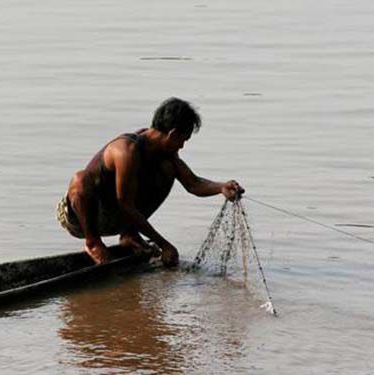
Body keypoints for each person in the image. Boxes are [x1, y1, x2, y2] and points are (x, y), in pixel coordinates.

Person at [56, 97, 245, 267]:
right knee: (80, 180)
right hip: (80, 216)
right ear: (172, 134)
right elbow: (126, 204)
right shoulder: (126, 151)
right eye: (183, 140)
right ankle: (93, 243)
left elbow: (193, 183)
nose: (182, 146)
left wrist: (221, 187)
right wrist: (164, 244)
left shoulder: (167, 155)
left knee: (167, 169)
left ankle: (129, 235)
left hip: (116, 216)